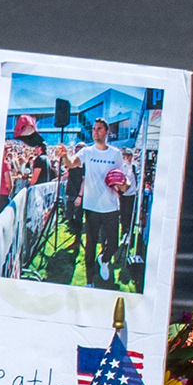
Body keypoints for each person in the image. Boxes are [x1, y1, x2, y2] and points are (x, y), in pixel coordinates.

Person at [73, 121, 137, 288]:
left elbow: (122, 178)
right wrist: (64, 157)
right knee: (90, 245)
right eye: (94, 129)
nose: (95, 132)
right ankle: (89, 281)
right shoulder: (87, 151)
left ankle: (104, 259)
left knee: (114, 244)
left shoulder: (115, 154)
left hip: (111, 206)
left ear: (107, 132)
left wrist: (124, 186)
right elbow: (71, 163)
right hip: (92, 206)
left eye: (99, 129)